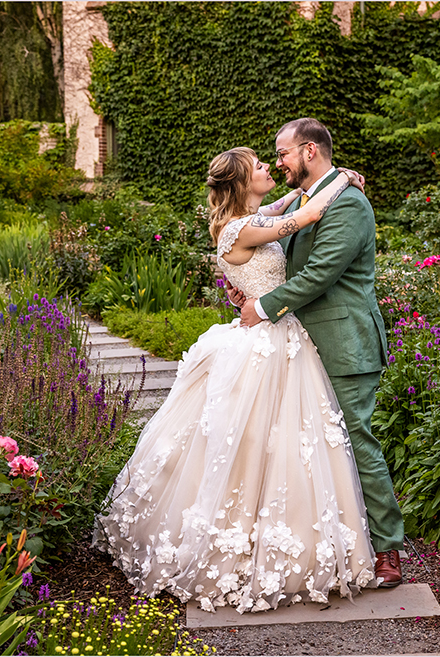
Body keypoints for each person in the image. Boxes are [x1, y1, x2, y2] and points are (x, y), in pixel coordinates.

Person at [94, 147, 377, 613]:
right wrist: (341, 180)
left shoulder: (250, 217)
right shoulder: (240, 228)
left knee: (279, 440)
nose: (269, 168)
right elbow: (304, 214)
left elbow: (286, 207)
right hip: (264, 339)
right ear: (243, 180)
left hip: (277, 333)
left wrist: (338, 173)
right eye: (260, 166)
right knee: (250, 441)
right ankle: (237, 542)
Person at [231, 118, 405, 587]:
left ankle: (388, 550)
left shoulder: (348, 204)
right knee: (307, 448)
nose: (279, 161)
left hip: (344, 343)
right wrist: (254, 289)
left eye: (283, 152)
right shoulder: (311, 199)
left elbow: (322, 273)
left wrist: (262, 306)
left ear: (309, 151)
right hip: (297, 345)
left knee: (356, 441)